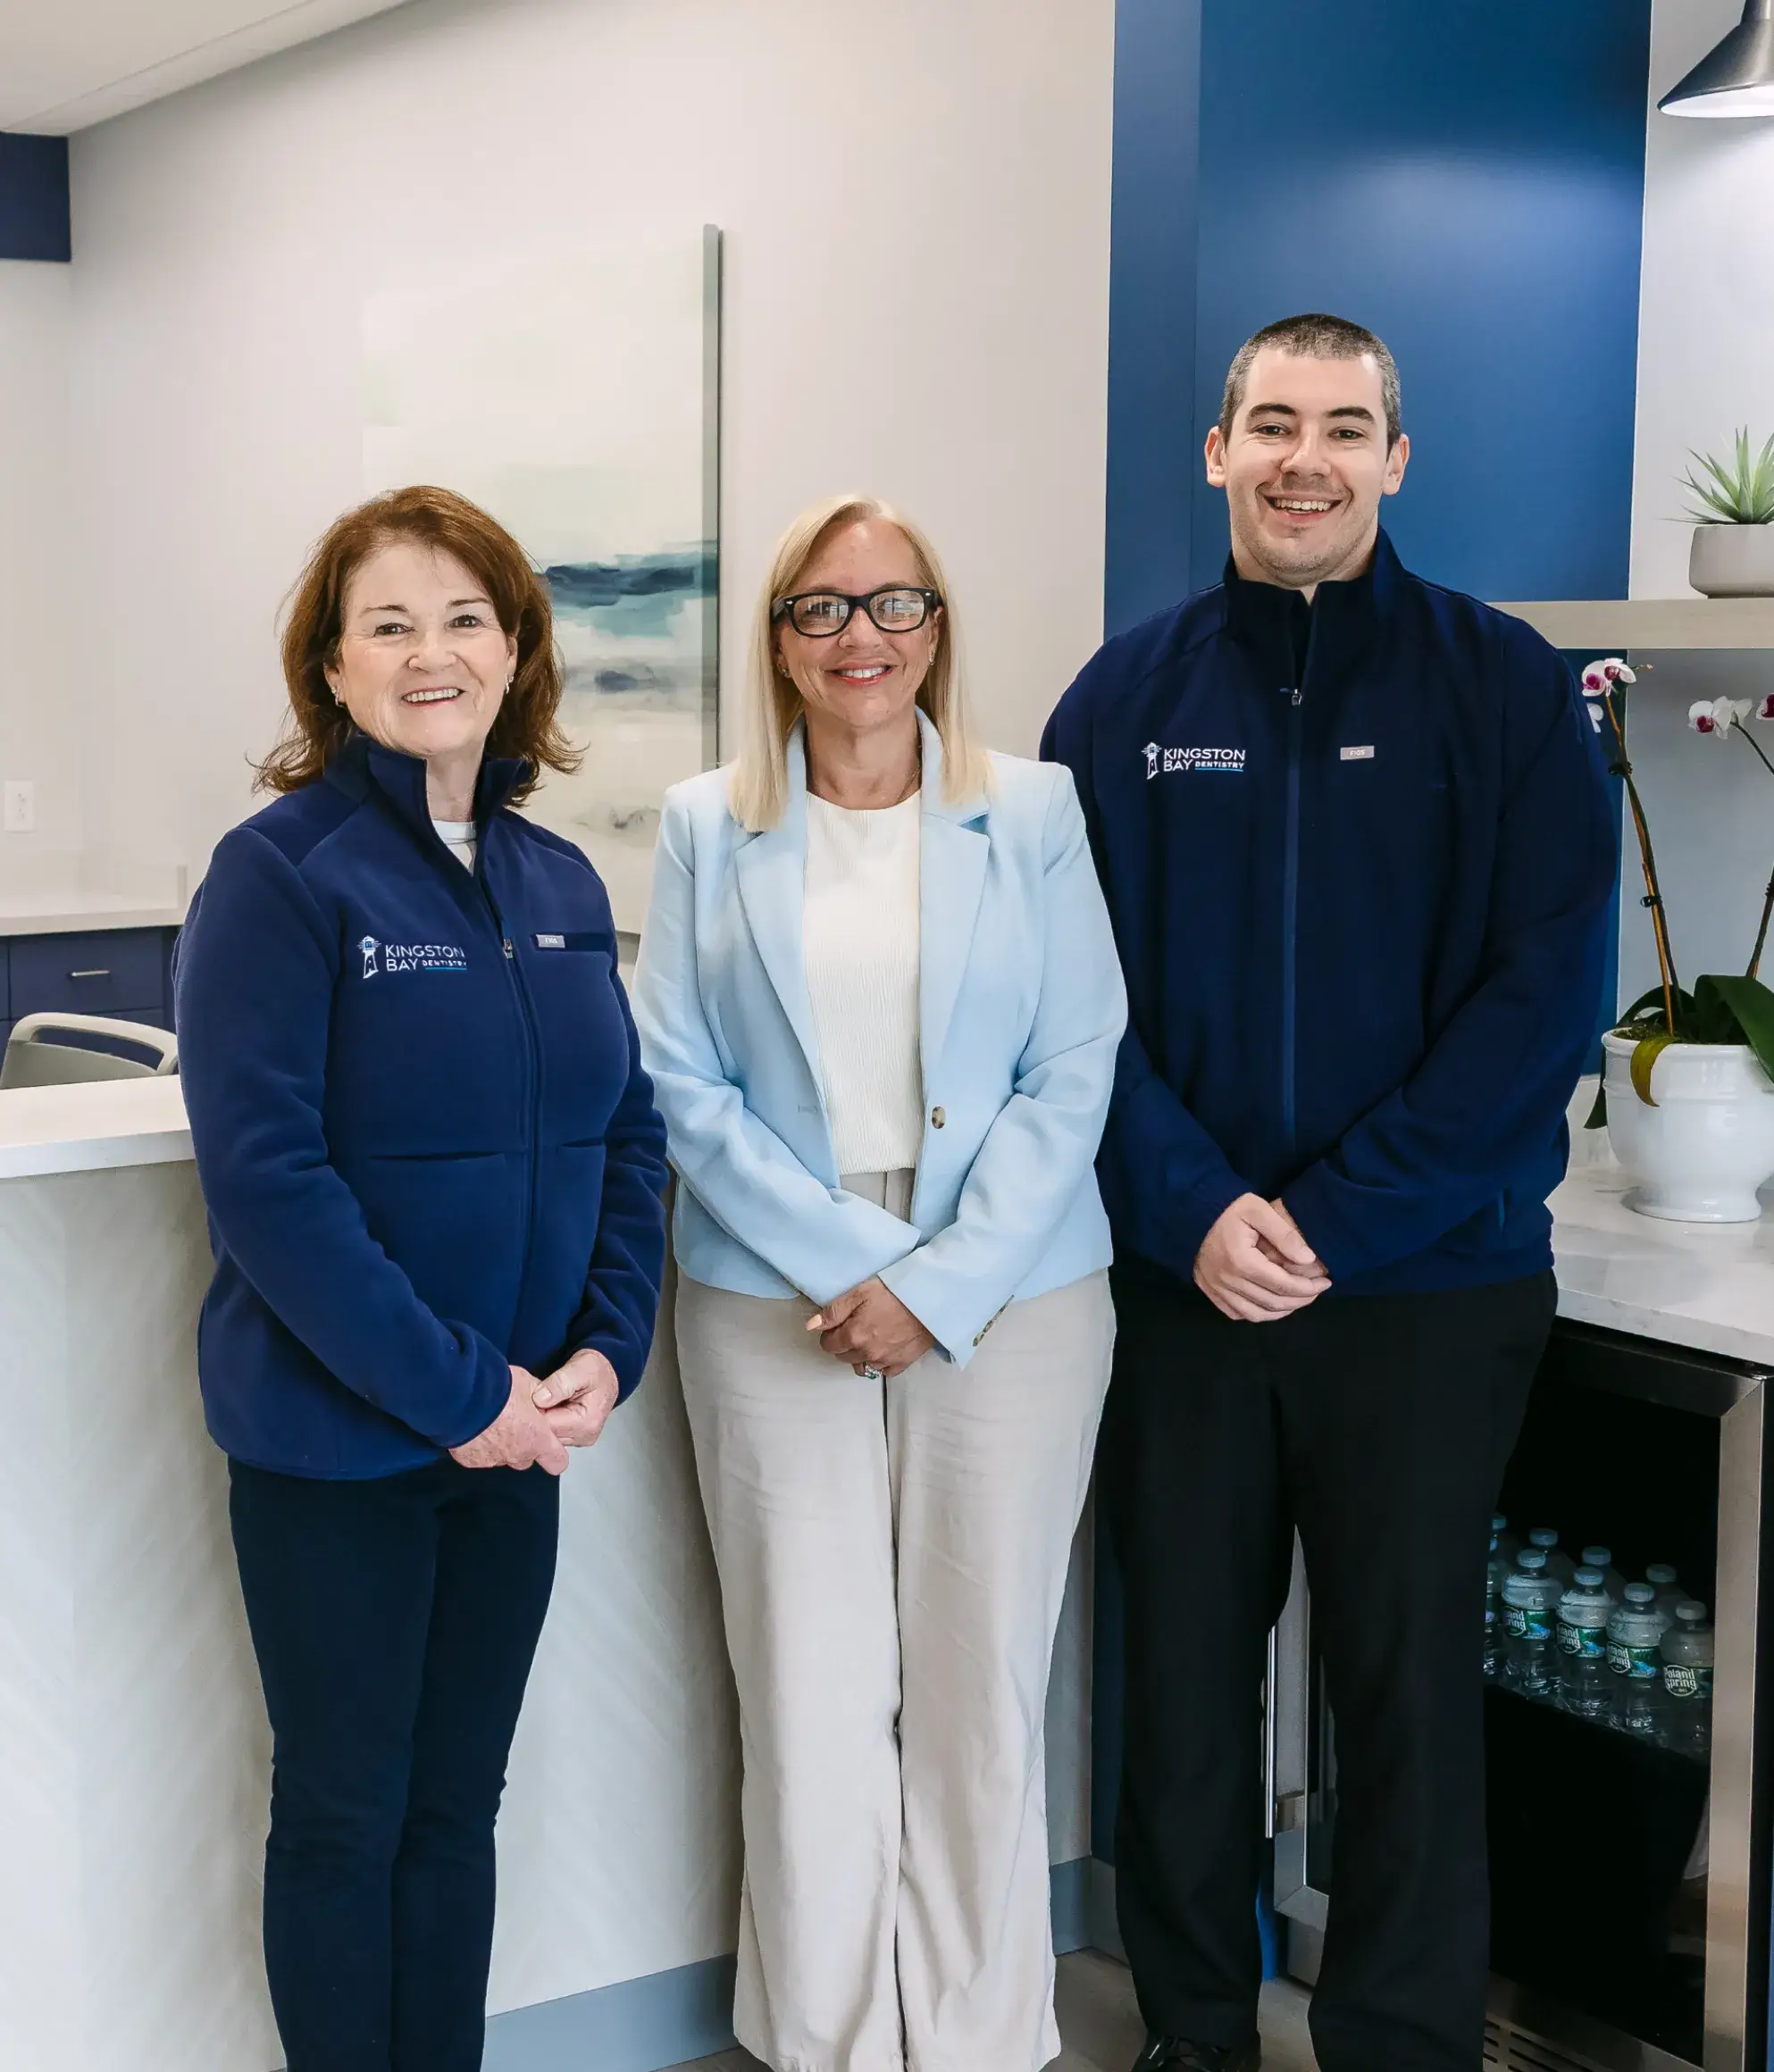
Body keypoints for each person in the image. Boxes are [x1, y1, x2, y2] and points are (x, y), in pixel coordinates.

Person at [1044, 314, 1618, 2072]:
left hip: (1432, 1288)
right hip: (1183, 1288)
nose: (1308, 458)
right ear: (1216, 451)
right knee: (1180, 1690)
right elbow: (1059, 1002)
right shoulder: (1119, 704)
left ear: (1396, 459)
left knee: (1408, 1691)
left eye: (1346, 427)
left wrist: (1340, 1218)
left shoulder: (1503, 689)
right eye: (1275, 423)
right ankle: (1194, 2033)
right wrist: (1194, 1209)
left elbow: (1545, 990)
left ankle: (1401, 2043)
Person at [175, 485, 669, 2072]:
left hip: (518, 1438)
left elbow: (625, 1133)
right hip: (342, 1446)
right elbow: (269, 1183)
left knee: (458, 1809)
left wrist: (608, 1346)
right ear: (331, 667)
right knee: (345, 1816)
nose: (429, 653)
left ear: (516, 648)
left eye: (463, 618)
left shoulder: (559, 880)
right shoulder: (280, 874)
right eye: (386, 624)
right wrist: (461, 1395)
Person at [632, 492, 1126, 2072]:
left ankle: (981, 2039)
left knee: (983, 1685)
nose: (863, 636)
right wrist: (861, 1265)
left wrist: (942, 1281)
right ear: (778, 641)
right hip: (773, 1289)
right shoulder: (705, 822)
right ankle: (832, 2042)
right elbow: (679, 1080)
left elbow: (1075, 1061)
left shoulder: (1030, 810)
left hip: (1017, 1291)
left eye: (895, 602)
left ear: (938, 627)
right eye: (823, 609)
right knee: (807, 1688)